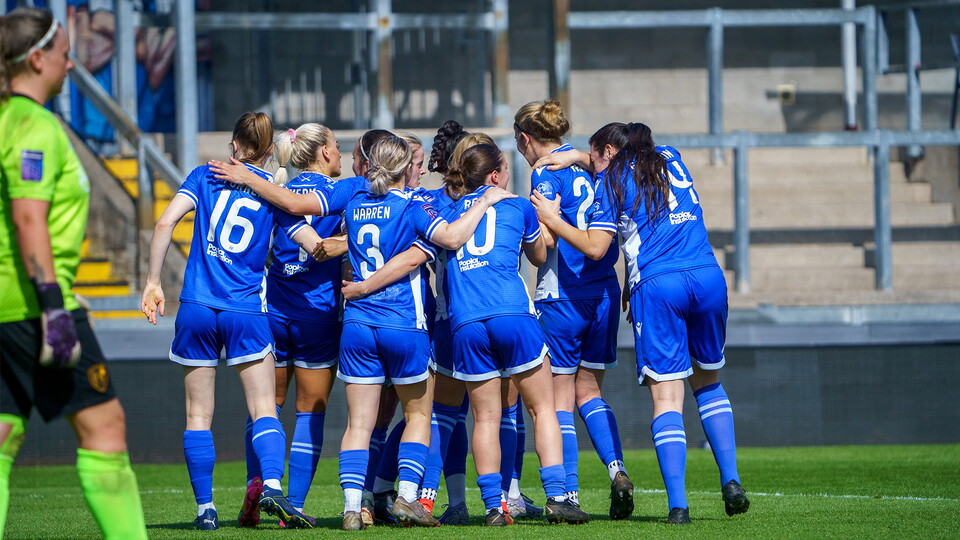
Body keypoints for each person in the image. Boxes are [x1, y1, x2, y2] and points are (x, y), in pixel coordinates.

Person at [210, 134, 515, 530]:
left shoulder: (352, 200)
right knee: (419, 412)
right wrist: (488, 200)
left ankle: (354, 507)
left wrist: (252, 179)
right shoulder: (413, 206)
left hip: (356, 325)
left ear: (368, 165)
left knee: (358, 423)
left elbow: (295, 206)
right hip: (403, 324)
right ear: (406, 167)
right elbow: (453, 238)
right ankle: (407, 497)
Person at [343, 143, 591, 526]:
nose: (507, 175)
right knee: (542, 408)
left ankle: (493, 506)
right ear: (494, 176)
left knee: (485, 418)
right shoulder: (516, 205)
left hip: (464, 322)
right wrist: (550, 219)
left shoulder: (444, 210)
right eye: (505, 169)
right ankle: (558, 496)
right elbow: (540, 256)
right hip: (512, 313)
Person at [530, 122, 750, 524]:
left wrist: (552, 217)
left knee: (667, 399)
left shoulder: (611, 181)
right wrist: (582, 155)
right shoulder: (669, 156)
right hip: (707, 275)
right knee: (709, 381)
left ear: (608, 154)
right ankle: (731, 481)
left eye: (595, 157)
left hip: (659, 283)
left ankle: (678, 507)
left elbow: (598, 248)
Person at [0, 8, 148, 539]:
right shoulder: (31, 124)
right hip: (32, 308)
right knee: (105, 427)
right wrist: (53, 306)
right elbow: (27, 216)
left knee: (2, 435)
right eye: (63, 53)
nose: (71, 63)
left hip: (6, 308)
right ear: (36, 59)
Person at [141, 112, 323, 530]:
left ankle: (205, 509)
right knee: (263, 408)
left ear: (237, 146)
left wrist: (153, 282)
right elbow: (313, 245)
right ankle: (273, 486)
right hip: (245, 312)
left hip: (197, 308)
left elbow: (166, 222)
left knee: (198, 416)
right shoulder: (273, 194)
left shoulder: (204, 177)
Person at [514, 100, 633, 519]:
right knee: (591, 392)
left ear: (526, 138)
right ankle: (617, 469)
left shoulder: (545, 172)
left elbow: (543, 241)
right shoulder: (592, 166)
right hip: (602, 294)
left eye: (518, 143)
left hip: (562, 294)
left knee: (559, 400)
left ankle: (570, 495)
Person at [237, 123, 347, 528]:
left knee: (265, 410)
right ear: (322, 153)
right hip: (317, 316)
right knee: (310, 413)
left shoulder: (276, 190)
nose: (339, 153)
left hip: (274, 312)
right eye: (336, 146)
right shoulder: (341, 192)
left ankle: (256, 486)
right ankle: (292, 506)